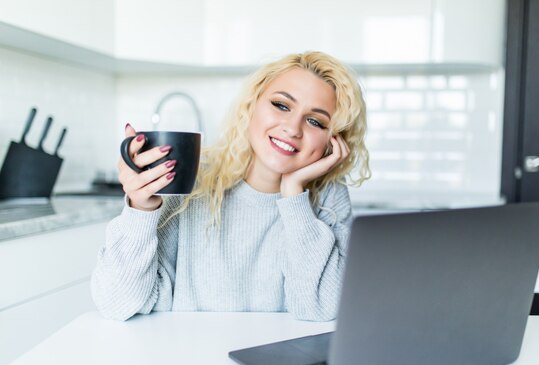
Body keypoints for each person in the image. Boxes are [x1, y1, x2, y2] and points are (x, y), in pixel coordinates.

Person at [91, 51, 370, 322]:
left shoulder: (328, 198)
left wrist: (294, 193)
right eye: (282, 105)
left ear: (333, 141)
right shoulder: (190, 181)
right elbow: (116, 303)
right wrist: (140, 210)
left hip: (274, 363)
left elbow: (319, 309)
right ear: (252, 106)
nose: (293, 128)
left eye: (315, 121)